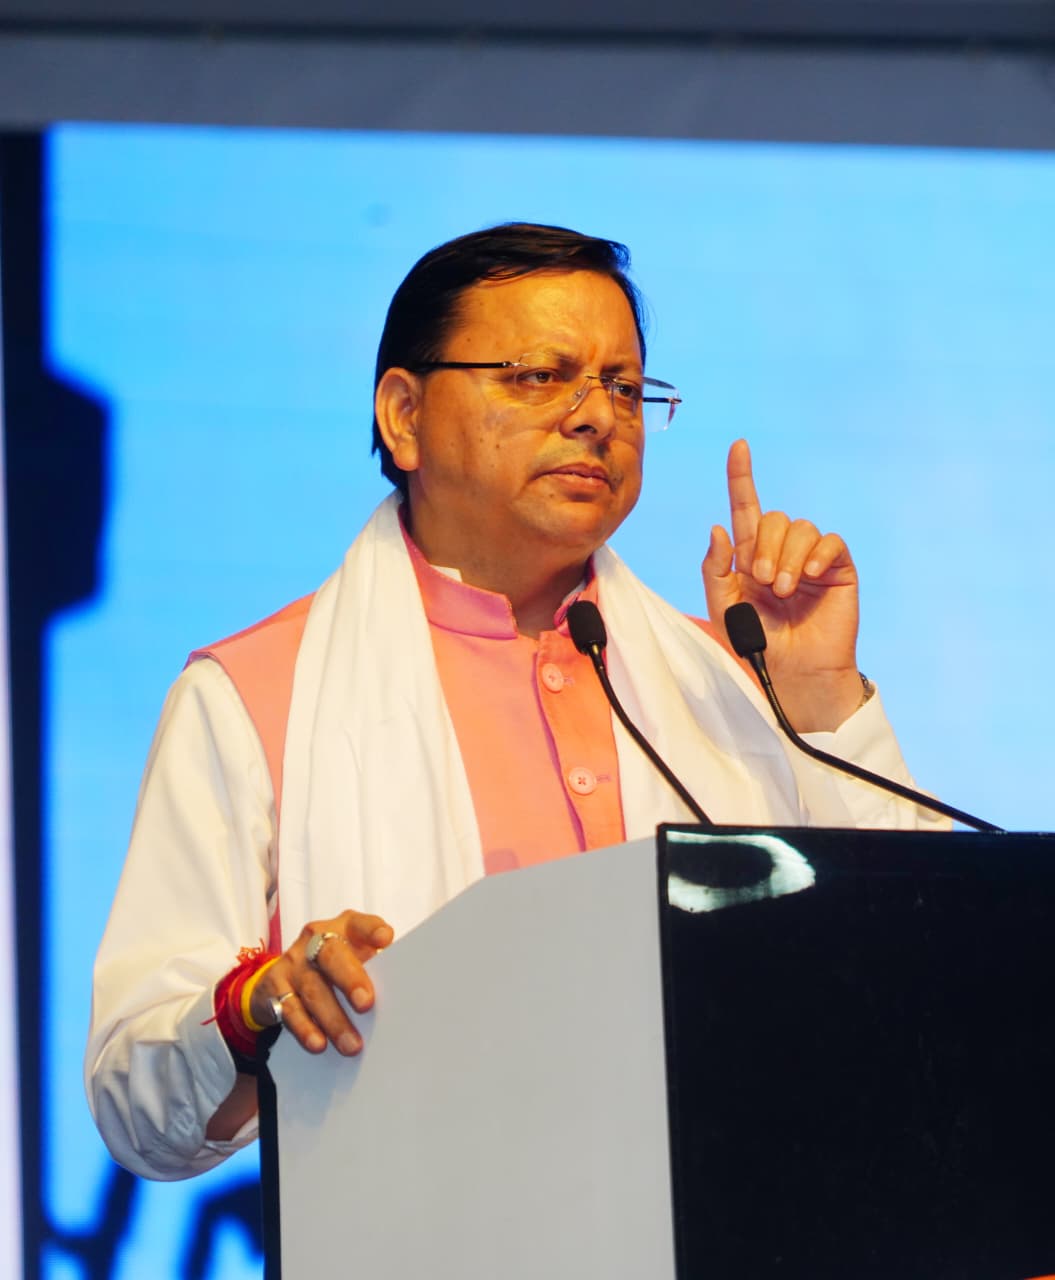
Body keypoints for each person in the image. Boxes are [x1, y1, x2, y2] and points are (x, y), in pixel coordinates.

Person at [86, 222, 940, 1182]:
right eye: (541, 376)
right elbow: (134, 1101)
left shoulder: (724, 681)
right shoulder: (251, 697)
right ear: (404, 415)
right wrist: (255, 1009)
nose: (597, 416)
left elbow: (919, 987)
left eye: (624, 387)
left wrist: (816, 698)